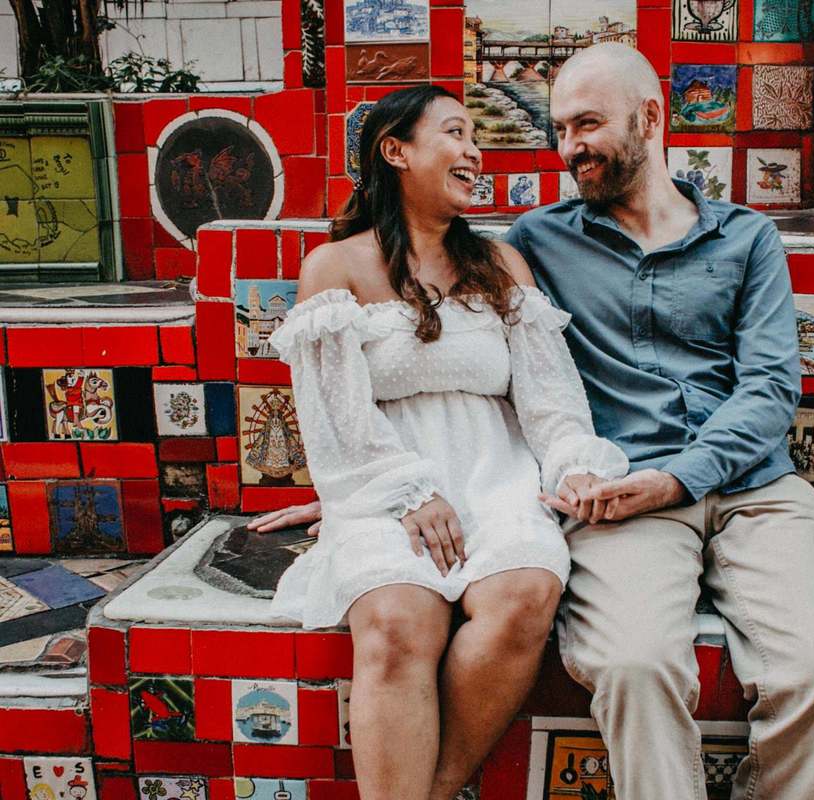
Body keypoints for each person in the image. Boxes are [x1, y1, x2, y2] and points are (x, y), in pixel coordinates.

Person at [255, 43, 814, 799]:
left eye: (586, 124)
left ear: (650, 118)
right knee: (631, 666)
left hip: (750, 485)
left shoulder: (745, 238)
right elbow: (380, 371)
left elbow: (770, 388)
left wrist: (674, 478)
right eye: (559, 129)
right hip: (617, 505)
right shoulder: (534, 242)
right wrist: (363, 490)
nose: (568, 147)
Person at [254, 85, 627, 800]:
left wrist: (576, 463)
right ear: (396, 151)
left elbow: (549, 401)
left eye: (474, 137)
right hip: (384, 483)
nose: (474, 151)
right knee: (396, 626)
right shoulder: (335, 269)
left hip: (497, 474)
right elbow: (332, 419)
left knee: (524, 594)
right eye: (454, 133)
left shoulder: (501, 263)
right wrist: (406, 491)